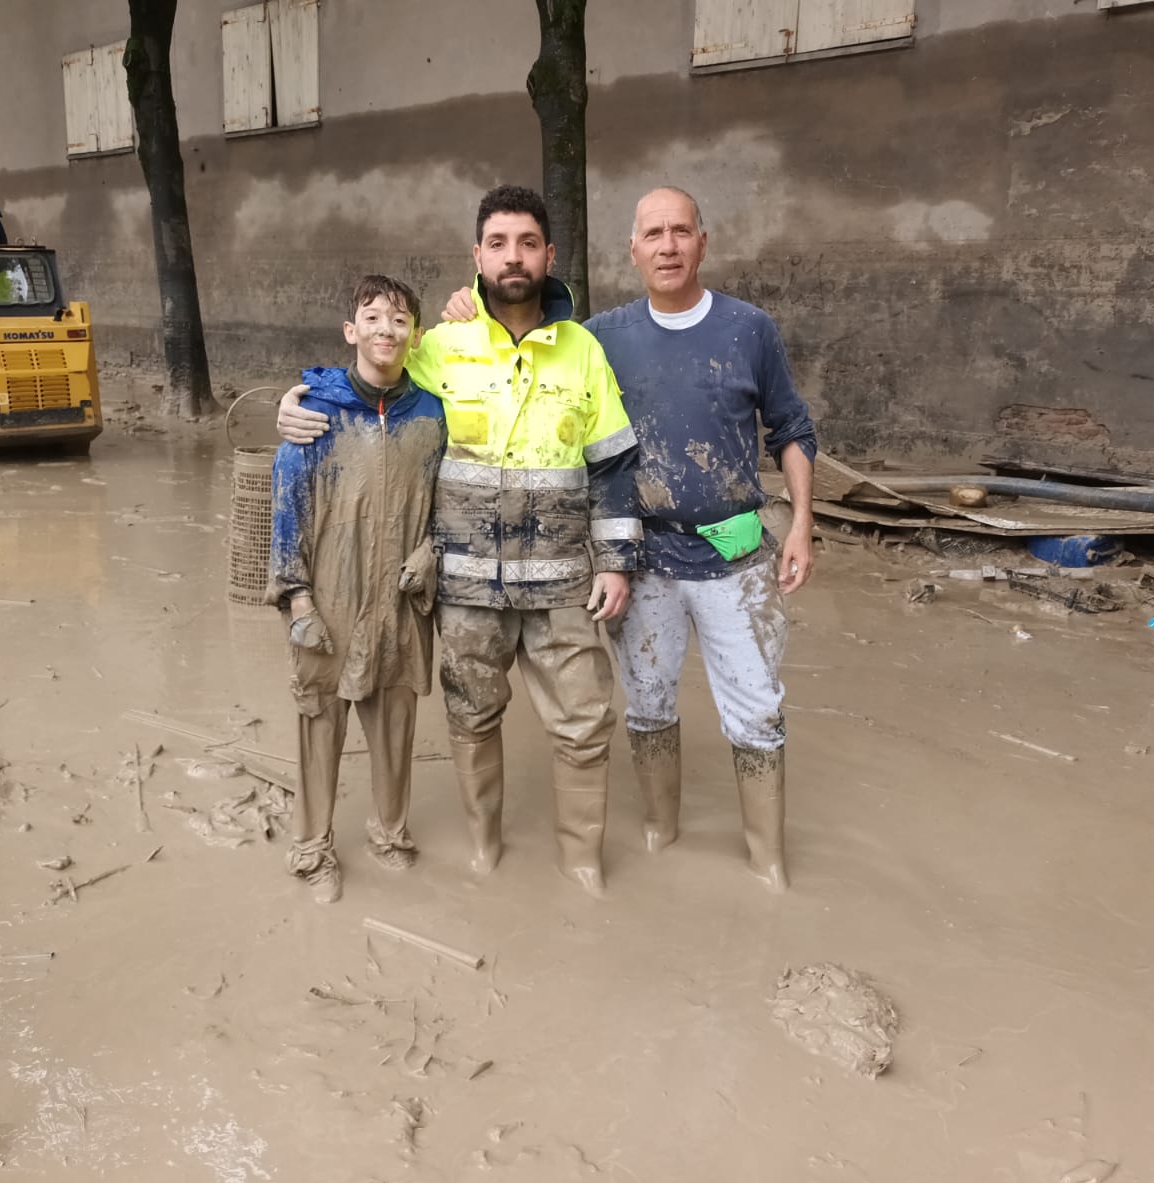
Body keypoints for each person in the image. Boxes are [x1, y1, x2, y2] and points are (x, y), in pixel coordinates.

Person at [442, 187, 817, 892]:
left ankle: (767, 858)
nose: (668, 246)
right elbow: (518, 352)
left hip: (736, 551)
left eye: (681, 232)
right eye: (654, 234)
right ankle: (658, 834)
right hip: (642, 560)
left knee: (758, 707)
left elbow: (792, 428)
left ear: (703, 243)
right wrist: (463, 305)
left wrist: (801, 522)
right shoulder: (600, 337)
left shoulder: (749, 330)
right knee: (646, 703)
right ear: (633, 251)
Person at [279, 185, 642, 897]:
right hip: (466, 588)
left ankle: (583, 861)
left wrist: (620, 561)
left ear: (550, 255)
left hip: (565, 580)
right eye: (498, 243)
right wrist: (294, 404)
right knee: (471, 714)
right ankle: (484, 850)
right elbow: (368, 383)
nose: (514, 257)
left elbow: (616, 463)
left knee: (586, 719)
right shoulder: (438, 347)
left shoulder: (583, 351)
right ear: (477, 256)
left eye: (528, 243)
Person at [266, 275, 446, 902]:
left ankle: (388, 834)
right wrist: (296, 599)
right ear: (351, 331)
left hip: (400, 598)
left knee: (396, 721)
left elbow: (446, 504)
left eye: (399, 321)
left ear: (414, 336)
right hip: (330, 595)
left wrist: (433, 554)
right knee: (319, 724)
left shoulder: (430, 414)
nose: (385, 330)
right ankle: (313, 848)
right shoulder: (315, 410)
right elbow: (285, 506)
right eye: (372, 318)